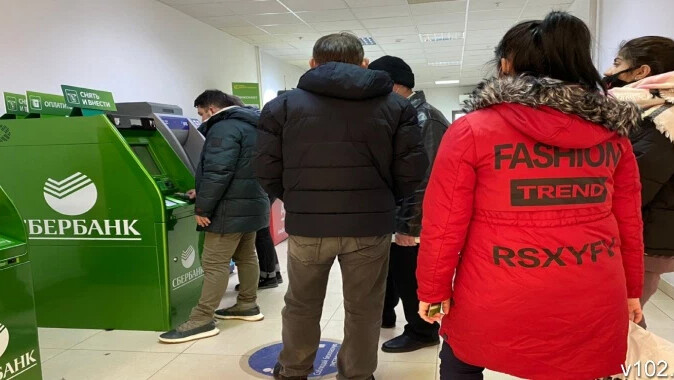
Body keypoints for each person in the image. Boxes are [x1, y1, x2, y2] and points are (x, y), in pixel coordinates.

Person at [416, 12, 645, 379]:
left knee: (461, 360)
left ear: (506, 66)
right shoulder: (614, 137)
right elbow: (629, 222)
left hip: (496, 290)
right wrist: (632, 288)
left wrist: (432, 288)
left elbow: (443, 224)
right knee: (580, 365)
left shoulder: (472, 131)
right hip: (592, 287)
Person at [255, 33, 428, 380]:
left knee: (301, 304)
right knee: (364, 308)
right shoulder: (396, 106)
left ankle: (293, 370)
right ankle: (358, 374)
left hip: (308, 227)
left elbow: (264, 167)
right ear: (363, 63)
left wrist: (300, 198)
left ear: (312, 64)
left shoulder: (282, 106)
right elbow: (412, 170)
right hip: (370, 226)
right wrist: (381, 200)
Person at [159, 90, 270, 343]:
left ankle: (201, 319)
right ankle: (247, 304)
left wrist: (203, 208)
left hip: (228, 209)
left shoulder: (223, 128)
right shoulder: (253, 124)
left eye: (200, 113)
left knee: (214, 263)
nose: (200, 119)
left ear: (211, 108)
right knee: (246, 256)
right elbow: (240, 168)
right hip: (251, 203)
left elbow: (219, 171)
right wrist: (202, 190)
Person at [368, 56, 448, 353]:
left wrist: (408, 226)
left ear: (395, 86)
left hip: (416, 222)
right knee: (390, 273)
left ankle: (423, 331)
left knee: (412, 279)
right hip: (396, 215)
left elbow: (424, 180)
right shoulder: (401, 115)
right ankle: (385, 315)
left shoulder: (424, 118)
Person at [605, 36, 674, 329]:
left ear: (641, 72)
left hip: (645, 241)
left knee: (624, 323)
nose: (610, 71)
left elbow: (638, 184)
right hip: (647, 236)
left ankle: (628, 373)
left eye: (618, 63)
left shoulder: (663, 118)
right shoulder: (651, 110)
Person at [236, 195, 283, 290]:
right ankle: (273, 272)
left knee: (261, 232)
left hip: (260, 192)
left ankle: (268, 276)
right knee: (263, 231)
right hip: (265, 191)